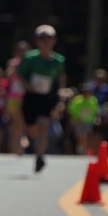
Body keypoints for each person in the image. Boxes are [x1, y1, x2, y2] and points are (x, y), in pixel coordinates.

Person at [17, 24, 65, 172]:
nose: (45, 42)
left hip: (47, 97)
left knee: (44, 124)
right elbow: (20, 74)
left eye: (49, 39)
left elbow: (60, 77)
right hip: (31, 97)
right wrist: (27, 85)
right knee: (32, 129)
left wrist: (61, 93)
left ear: (54, 41)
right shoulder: (30, 58)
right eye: (42, 39)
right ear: (37, 41)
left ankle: (40, 156)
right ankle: (33, 142)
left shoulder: (58, 60)